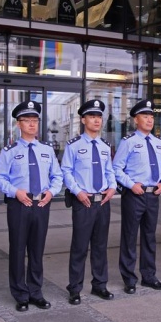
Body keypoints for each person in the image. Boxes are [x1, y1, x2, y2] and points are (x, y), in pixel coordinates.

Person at [0, 101, 63, 311]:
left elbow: (57, 175)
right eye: (27, 121)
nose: (32, 125)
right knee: (17, 249)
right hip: (19, 205)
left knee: (37, 250)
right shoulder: (9, 151)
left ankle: (36, 292)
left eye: (35, 121)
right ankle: (20, 294)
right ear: (19, 124)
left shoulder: (47, 150)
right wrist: (15, 192)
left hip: (41, 203)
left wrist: (51, 192)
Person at [61, 100, 116, 305]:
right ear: (83, 120)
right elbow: (66, 171)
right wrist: (77, 191)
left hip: (103, 202)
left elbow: (109, 171)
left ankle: (100, 285)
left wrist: (112, 188)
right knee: (80, 246)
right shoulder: (74, 146)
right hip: (83, 202)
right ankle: (74, 288)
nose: (96, 120)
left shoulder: (104, 146)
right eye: (92, 116)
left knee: (101, 246)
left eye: (99, 117)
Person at [113, 100, 161, 294]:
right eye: (145, 116)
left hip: (153, 195)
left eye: (152, 117)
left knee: (149, 237)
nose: (149, 120)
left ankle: (149, 276)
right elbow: (116, 168)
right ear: (136, 120)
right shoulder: (128, 142)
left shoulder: (159, 143)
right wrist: (130, 184)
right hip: (134, 195)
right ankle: (129, 278)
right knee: (129, 237)